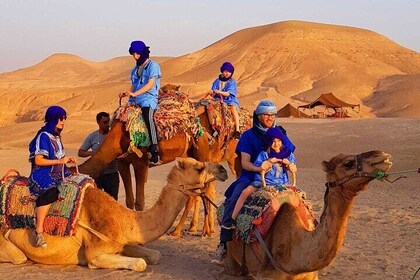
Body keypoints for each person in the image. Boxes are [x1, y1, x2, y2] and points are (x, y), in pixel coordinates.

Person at [214, 100, 296, 261]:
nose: (269, 118)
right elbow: (245, 163)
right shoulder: (248, 136)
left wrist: (289, 166)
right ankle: (224, 240)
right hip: (252, 175)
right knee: (235, 196)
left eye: (272, 115)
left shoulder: (280, 135)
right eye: (266, 114)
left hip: (278, 177)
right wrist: (260, 169)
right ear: (258, 116)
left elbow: (290, 156)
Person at [28, 106, 77, 248]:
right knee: (51, 191)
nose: (63, 122)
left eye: (64, 119)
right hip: (42, 174)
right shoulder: (43, 136)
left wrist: (67, 161)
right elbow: (38, 160)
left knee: (82, 182)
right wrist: (60, 161)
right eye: (60, 119)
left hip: (59, 172)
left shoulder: (56, 137)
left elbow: (60, 157)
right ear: (52, 119)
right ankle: (39, 231)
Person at [229, 127, 297, 223]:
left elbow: (294, 167)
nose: (276, 144)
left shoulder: (287, 154)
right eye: (273, 141)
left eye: (278, 141)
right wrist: (267, 163)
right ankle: (232, 219)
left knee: (300, 198)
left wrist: (289, 165)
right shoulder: (264, 154)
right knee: (245, 192)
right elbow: (259, 167)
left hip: (283, 183)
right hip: (263, 182)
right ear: (269, 142)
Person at [119, 40, 162, 166]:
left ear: (143, 53)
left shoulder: (153, 66)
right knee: (120, 117)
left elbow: (150, 84)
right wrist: (127, 93)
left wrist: (135, 94)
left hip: (148, 99)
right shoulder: (135, 70)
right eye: (133, 54)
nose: (135, 57)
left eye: (137, 54)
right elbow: (134, 85)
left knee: (148, 117)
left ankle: (155, 151)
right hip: (135, 100)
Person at [78, 112, 120, 200]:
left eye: (109, 122)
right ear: (98, 122)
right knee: (97, 201)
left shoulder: (114, 136)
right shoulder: (92, 137)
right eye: (105, 122)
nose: (107, 125)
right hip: (97, 175)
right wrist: (91, 153)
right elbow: (80, 152)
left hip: (112, 174)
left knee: (112, 202)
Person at [208, 62, 241, 139]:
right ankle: (213, 127)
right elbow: (213, 91)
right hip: (217, 100)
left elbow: (228, 94)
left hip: (229, 100)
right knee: (208, 107)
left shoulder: (232, 82)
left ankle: (237, 130)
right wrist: (212, 93)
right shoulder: (217, 81)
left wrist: (219, 92)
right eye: (226, 71)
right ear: (222, 71)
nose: (227, 73)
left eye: (229, 72)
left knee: (233, 108)